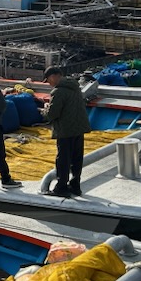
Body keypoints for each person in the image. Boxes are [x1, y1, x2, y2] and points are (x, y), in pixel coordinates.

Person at [42, 67, 92, 197]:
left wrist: (45, 109)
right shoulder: (75, 87)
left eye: (48, 80)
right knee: (76, 159)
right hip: (78, 128)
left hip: (65, 130)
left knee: (63, 160)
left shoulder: (58, 92)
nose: (49, 83)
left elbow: (52, 114)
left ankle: (61, 187)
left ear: (54, 76)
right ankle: (75, 186)